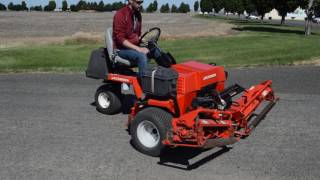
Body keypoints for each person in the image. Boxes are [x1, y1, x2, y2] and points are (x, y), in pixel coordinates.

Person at [112, 0, 149, 77]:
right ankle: (144, 86)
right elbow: (120, 39)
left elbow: (137, 34)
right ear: (130, 1)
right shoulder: (121, 14)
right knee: (141, 56)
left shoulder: (138, 15)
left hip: (132, 47)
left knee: (154, 49)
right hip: (121, 49)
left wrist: (142, 40)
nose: (140, 5)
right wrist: (138, 48)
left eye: (141, 3)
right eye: (138, 2)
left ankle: (170, 79)